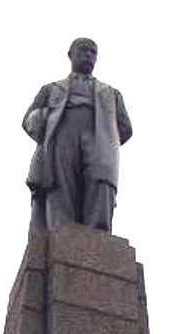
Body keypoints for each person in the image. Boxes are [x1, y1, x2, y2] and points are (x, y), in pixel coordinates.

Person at [22, 37, 132, 233]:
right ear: (70, 55)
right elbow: (29, 119)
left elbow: (125, 128)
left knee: (100, 185)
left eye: (93, 53)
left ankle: (98, 236)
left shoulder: (111, 93)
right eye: (83, 51)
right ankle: (61, 234)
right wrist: (47, 120)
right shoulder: (51, 89)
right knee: (61, 185)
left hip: (98, 142)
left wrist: (107, 140)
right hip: (62, 138)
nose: (88, 56)